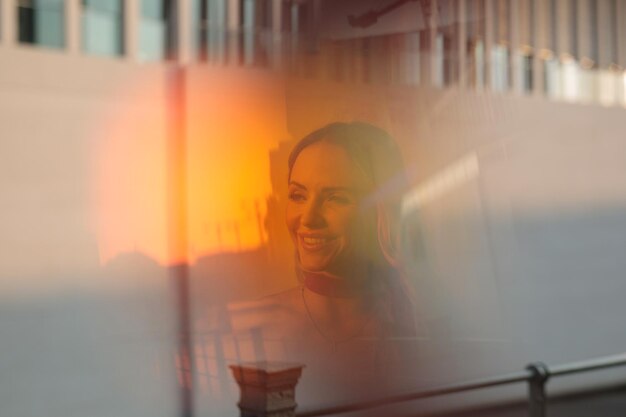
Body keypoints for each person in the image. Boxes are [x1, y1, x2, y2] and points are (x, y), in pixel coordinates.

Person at [250, 122, 418, 404]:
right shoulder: (256, 328)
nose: (308, 218)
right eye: (298, 195)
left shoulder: (414, 324)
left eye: (336, 198)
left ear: (382, 212)